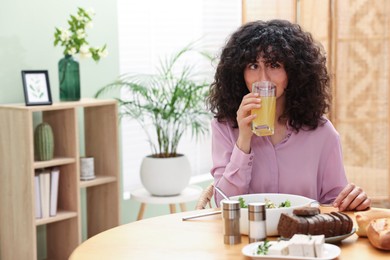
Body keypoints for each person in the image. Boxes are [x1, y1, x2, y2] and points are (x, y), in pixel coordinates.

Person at [206, 19, 371, 212]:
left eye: (274, 65)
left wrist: (353, 201)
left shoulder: (322, 132)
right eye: (253, 65)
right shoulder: (224, 127)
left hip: (303, 238)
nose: (263, 78)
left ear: (293, 71)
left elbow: (335, 204)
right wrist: (243, 140)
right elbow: (223, 204)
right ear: (239, 72)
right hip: (245, 239)